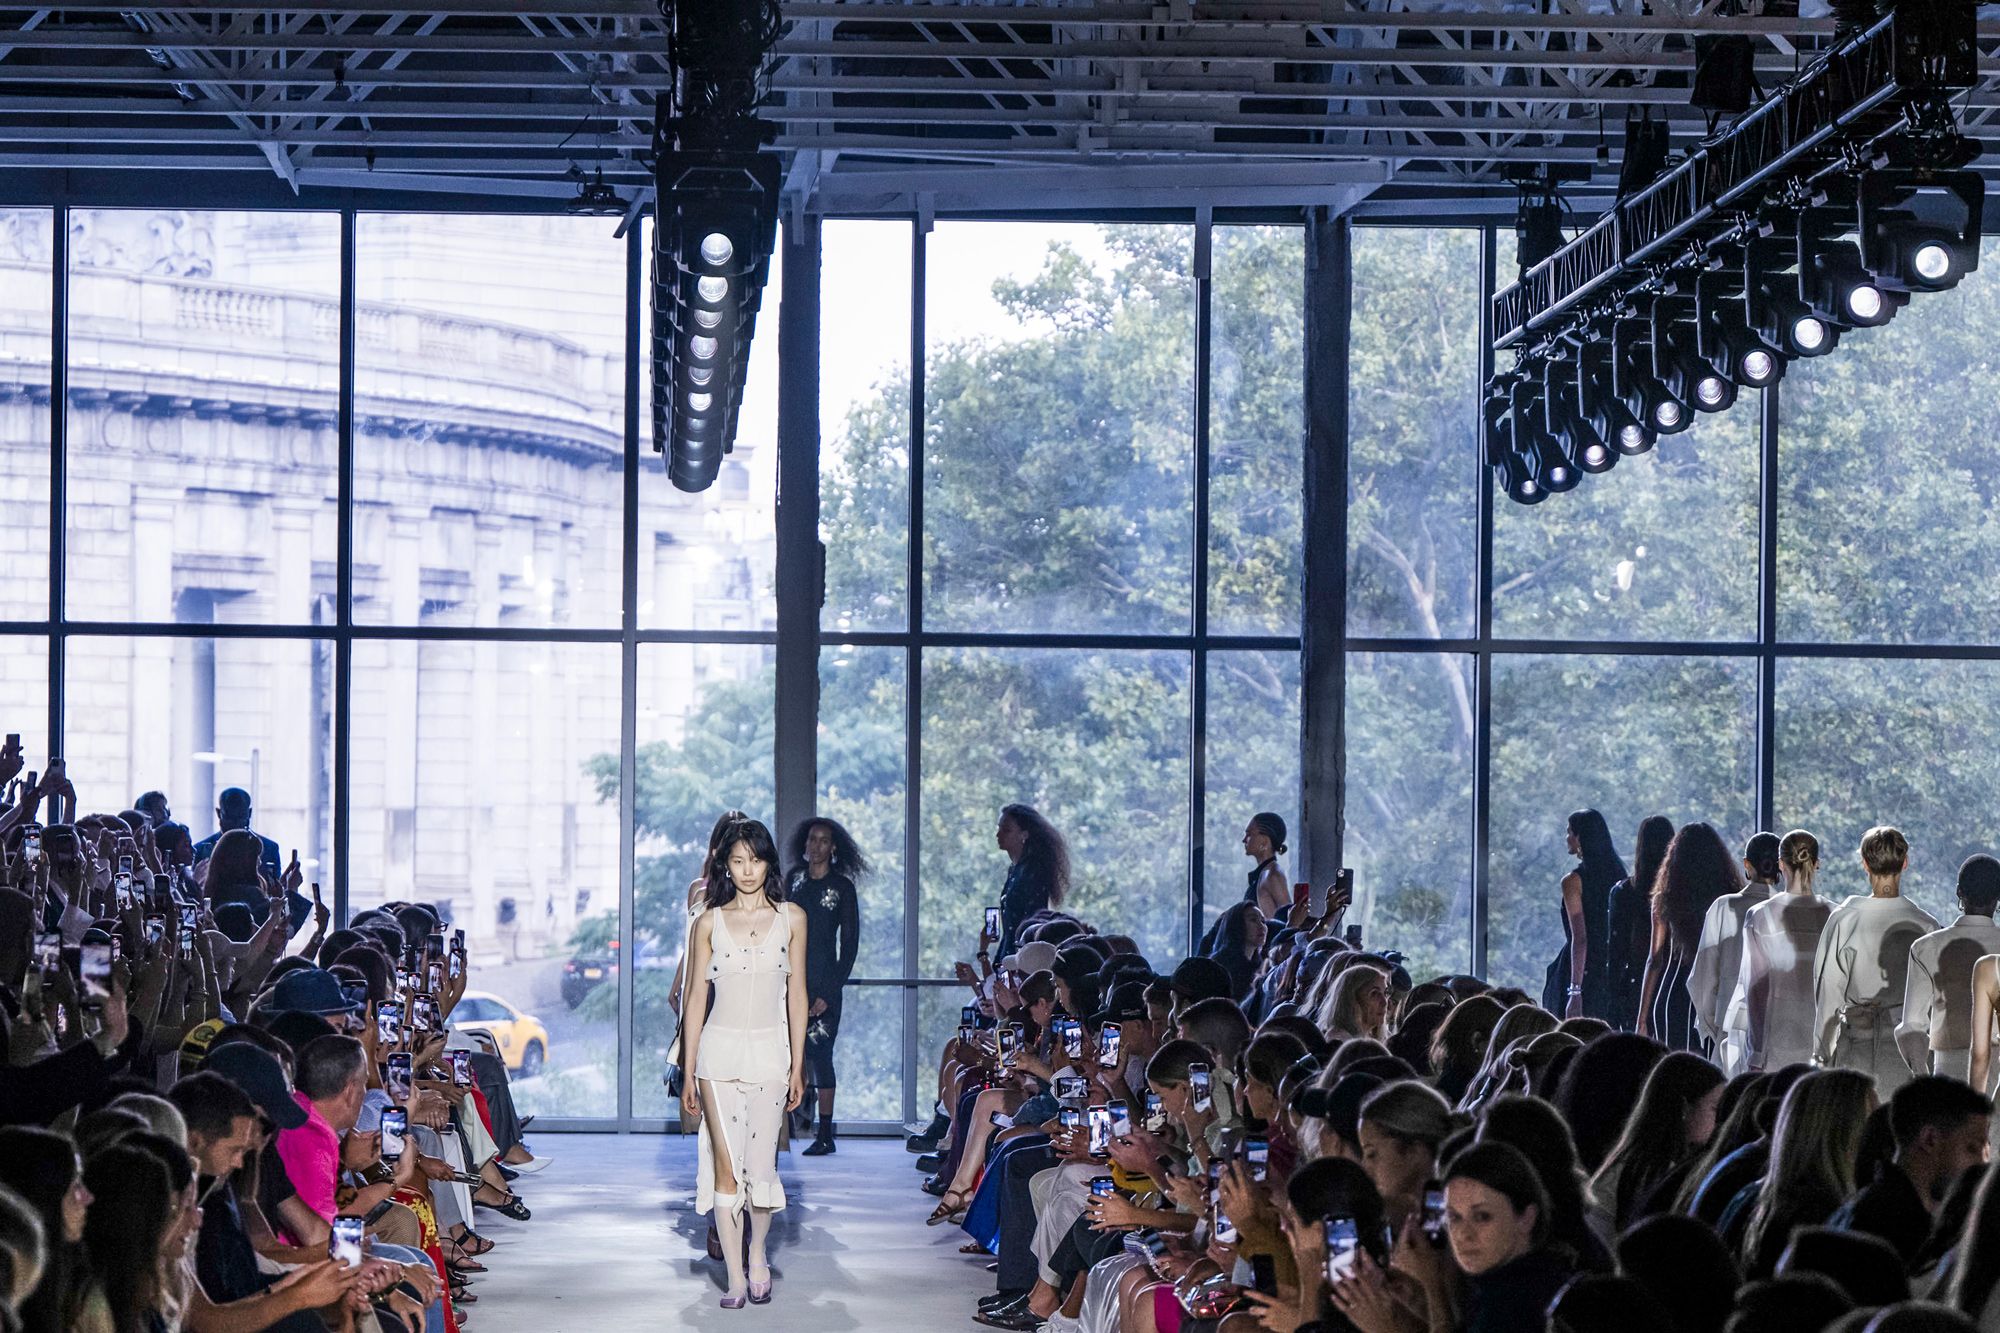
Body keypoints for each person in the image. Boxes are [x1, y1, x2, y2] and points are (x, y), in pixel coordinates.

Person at [680, 817, 808, 1309]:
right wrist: (690, 1068)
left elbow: (797, 994)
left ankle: (757, 1254)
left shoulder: (792, 917)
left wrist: (798, 1066)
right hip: (717, 1054)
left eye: (755, 859)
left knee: (761, 1168)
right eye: (737, 861)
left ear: (768, 862)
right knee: (726, 1172)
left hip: (771, 1053)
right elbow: (695, 999)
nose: (747, 870)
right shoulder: (708, 921)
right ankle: (735, 1278)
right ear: (725, 867)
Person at [1813, 826, 1939, 1095]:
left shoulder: (1845, 919)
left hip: (1857, 1048)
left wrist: (1821, 1057)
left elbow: (1828, 998)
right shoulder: (1927, 925)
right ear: (1905, 863)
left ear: (1864, 864)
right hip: (1908, 1056)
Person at [1828, 1076, 1993, 1265]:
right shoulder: (1892, 1231)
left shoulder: (1875, 1208)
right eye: (1971, 1148)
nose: (1981, 1163)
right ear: (1930, 1140)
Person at [1739, 1068, 1877, 1278]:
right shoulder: (1821, 1221)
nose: (1878, 1139)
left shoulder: (1762, 1198)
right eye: (1871, 1125)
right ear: (1839, 1134)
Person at [785, 815, 867, 1156]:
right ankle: (785, 1123)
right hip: (790, 982)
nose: (815, 846)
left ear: (833, 848)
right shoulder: (794, 880)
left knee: (821, 1055)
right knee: (787, 1053)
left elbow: (849, 945)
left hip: (824, 985)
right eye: (811, 839)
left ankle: (825, 1133)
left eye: (822, 840)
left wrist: (829, 993)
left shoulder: (842, 888)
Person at [1441, 1139, 1577, 1332]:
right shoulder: (1497, 1290)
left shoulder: (1516, 1306)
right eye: (1453, 1217)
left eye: (1482, 1216)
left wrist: (1435, 1300)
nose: (1463, 1234)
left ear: (1526, 1218)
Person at [1585, 1050, 1724, 1238]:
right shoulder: (1635, 1175)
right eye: (1715, 1108)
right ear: (1684, 1108)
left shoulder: (1640, 1166)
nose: (1722, 1120)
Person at [1639, 822, 1740, 1053]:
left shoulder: (1665, 899)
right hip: (1714, 992)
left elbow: (1654, 960)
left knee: (1672, 1069)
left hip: (1672, 992)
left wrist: (1642, 1017)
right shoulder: (1728, 898)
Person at [1898, 855, 2000, 1083]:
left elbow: (1911, 1027)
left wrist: (1922, 1079)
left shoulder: (1926, 947)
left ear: (1959, 892)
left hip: (1949, 1070)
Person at [1742, 831, 1834, 1074]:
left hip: (1778, 1042)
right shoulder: (1836, 916)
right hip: (1824, 1044)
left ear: (1780, 864)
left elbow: (1756, 989)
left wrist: (1756, 1052)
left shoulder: (1760, 915)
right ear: (1816, 864)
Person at [1690, 831, 1781, 1075]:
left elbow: (1703, 978)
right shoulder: (1787, 910)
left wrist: (1712, 1022)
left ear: (1747, 865)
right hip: (1780, 1027)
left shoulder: (1724, 907)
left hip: (1731, 1025)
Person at [1544, 809, 1626, 1022]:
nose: (1567, 837)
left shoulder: (1572, 881)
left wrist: (1575, 990)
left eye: (1570, 831)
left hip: (1582, 971)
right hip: (1611, 968)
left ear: (1581, 837)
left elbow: (1580, 938)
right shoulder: (1619, 876)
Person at [1608, 816, 1674, 1031]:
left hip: (1634, 983)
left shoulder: (1624, 892)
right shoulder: (1679, 894)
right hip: (1672, 984)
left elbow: (1617, 950)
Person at [990, 804, 1070, 963]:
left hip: (1022, 955)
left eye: (1006, 830)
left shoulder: (1033, 872)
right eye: (999, 828)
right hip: (1010, 952)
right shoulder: (1015, 870)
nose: (998, 834)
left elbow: (1034, 918)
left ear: (1024, 835)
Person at [189, 787, 280, 883]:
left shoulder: (270, 849)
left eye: (240, 817)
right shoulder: (200, 851)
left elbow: (276, 890)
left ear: (249, 814)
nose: (235, 824)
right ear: (219, 813)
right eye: (230, 817)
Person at [1241, 812, 1291, 921]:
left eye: (1249, 834)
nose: (1244, 840)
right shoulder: (1266, 872)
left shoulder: (1273, 874)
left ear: (1264, 841)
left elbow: (1289, 921)